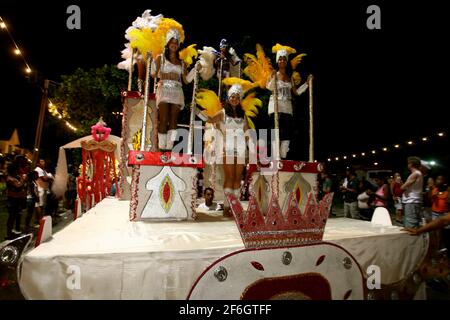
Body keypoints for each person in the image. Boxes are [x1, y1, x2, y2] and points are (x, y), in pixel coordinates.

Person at [202, 80, 255, 217]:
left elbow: (247, 133)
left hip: (241, 149)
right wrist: (196, 112)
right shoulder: (222, 113)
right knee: (229, 177)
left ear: (240, 99)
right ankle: (227, 206)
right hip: (228, 148)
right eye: (232, 96)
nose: (234, 99)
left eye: (237, 97)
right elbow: (210, 119)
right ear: (228, 97)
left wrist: (254, 150)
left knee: (238, 178)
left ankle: (235, 206)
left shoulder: (243, 116)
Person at [266, 44, 310, 159]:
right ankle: (276, 155)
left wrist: (307, 84)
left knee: (287, 132)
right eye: (280, 59)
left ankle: (282, 155)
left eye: (284, 59)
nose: (282, 61)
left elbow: (296, 92)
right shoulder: (273, 73)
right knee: (277, 130)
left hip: (287, 107)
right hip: (275, 106)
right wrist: (272, 78)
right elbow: (269, 87)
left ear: (286, 61)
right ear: (277, 61)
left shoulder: (289, 77)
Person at [153, 27, 191, 151]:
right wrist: (151, 63)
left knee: (174, 119)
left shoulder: (182, 63)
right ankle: (161, 147)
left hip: (177, 91)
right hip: (163, 90)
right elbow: (154, 74)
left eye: (176, 42)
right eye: (172, 42)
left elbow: (186, 80)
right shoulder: (161, 58)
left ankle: (170, 147)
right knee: (164, 118)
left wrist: (196, 69)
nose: (174, 44)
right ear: (168, 43)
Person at [400, 156, 424, 228]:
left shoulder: (415, 174)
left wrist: (400, 184)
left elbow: (403, 187)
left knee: (411, 224)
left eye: (408, 163)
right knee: (412, 222)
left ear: (411, 164)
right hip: (414, 201)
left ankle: (413, 239)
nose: (408, 165)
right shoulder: (418, 173)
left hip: (412, 201)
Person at [5, 162, 27, 239]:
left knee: (14, 216)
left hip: (17, 199)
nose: (18, 170)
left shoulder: (15, 177)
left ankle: (11, 231)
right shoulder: (10, 178)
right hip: (12, 200)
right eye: (17, 169)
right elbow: (18, 186)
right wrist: (23, 179)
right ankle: (8, 233)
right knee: (11, 217)